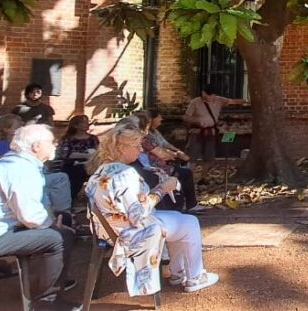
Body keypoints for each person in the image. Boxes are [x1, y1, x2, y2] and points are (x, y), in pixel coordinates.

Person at [85, 124, 220, 295]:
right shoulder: (126, 174)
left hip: (108, 231)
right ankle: (194, 276)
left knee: (178, 218)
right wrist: (163, 188)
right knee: (190, 222)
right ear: (121, 148)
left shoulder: (99, 171)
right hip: (130, 232)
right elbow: (138, 214)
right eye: (136, 146)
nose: (140, 149)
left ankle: (178, 273)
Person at [0, 125, 81, 311]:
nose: (55, 145)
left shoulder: (17, 163)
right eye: (51, 142)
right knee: (60, 239)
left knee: (55, 234)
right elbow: (30, 216)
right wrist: (53, 225)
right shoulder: (19, 169)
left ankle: (42, 285)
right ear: (37, 146)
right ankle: (46, 302)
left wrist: (49, 221)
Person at [183, 87, 245, 162]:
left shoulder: (219, 100)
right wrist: (197, 122)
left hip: (211, 133)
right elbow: (186, 118)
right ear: (203, 93)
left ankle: (204, 173)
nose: (211, 97)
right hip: (196, 133)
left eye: (213, 95)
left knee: (209, 158)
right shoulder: (195, 102)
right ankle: (189, 173)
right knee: (190, 157)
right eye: (208, 95)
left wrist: (247, 101)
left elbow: (233, 101)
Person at [58, 115, 98, 200]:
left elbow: (98, 152)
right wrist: (85, 155)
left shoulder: (93, 138)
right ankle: (70, 199)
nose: (87, 124)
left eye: (87, 122)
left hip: (91, 163)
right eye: (84, 122)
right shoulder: (68, 139)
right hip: (72, 164)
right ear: (76, 125)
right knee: (76, 171)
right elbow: (65, 154)